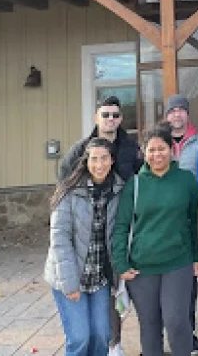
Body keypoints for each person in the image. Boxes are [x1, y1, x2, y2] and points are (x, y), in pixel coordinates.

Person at [60, 95, 143, 356]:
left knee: (123, 297)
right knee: (84, 332)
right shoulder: (79, 151)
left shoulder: (132, 148)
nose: (110, 119)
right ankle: (113, 344)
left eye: (115, 115)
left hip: (124, 232)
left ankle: (125, 340)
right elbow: (64, 184)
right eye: (105, 114)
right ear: (96, 117)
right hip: (87, 241)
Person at [112, 125, 198, 356]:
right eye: (151, 150)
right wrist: (121, 263)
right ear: (144, 152)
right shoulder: (135, 184)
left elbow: (197, 221)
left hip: (177, 262)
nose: (157, 154)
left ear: (171, 150)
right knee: (150, 326)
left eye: (161, 148)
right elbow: (122, 227)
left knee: (176, 322)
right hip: (141, 267)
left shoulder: (186, 181)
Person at [44, 137, 125, 356]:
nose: (100, 165)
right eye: (94, 159)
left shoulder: (119, 191)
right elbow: (60, 240)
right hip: (70, 276)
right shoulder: (69, 192)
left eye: (104, 158)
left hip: (99, 278)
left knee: (102, 335)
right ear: (86, 162)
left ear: (112, 160)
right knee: (79, 338)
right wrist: (70, 284)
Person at [166, 93, 198, 354]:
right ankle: (169, 332)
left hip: (193, 218)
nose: (177, 114)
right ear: (167, 115)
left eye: (181, 110)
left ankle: (188, 332)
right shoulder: (159, 143)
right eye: (173, 111)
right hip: (166, 220)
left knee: (189, 281)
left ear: (187, 114)